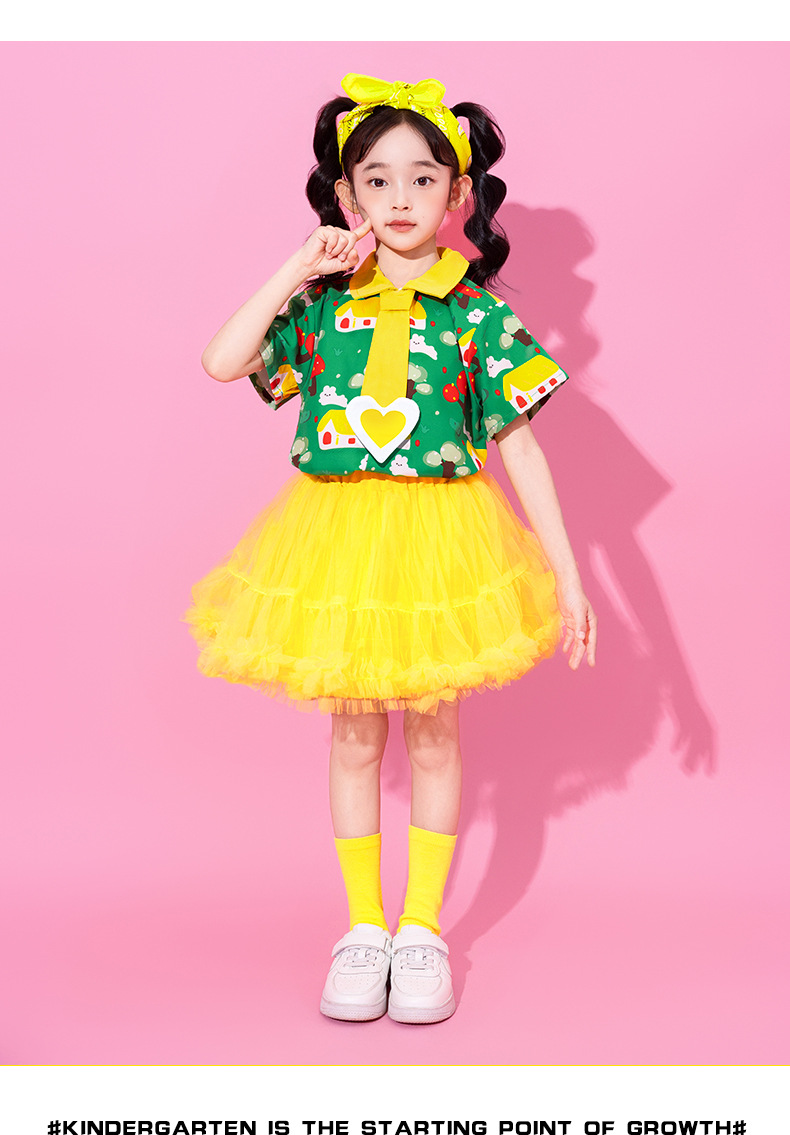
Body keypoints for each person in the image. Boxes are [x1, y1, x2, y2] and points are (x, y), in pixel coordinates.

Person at [183, 73, 597, 1025]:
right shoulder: (324, 306)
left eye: (422, 179)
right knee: (356, 731)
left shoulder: (475, 313)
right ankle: (363, 925)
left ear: (458, 196)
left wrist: (570, 576)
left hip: (441, 539)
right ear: (346, 196)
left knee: (437, 729)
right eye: (376, 180)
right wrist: (297, 267)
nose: (400, 198)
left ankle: (420, 930)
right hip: (336, 538)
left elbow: (522, 449)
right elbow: (222, 361)